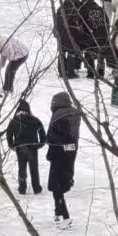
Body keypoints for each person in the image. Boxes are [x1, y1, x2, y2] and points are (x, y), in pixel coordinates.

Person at [45, 93, 82, 224]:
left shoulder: (58, 114)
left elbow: (50, 136)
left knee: (56, 186)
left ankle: (65, 216)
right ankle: (58, 212)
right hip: (71, 152)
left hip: (58, 153)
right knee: (62, 182)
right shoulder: (75, 114)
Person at [6, 101, 45, 195]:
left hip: (20, 148)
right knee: (34, 169)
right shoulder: (35, 120)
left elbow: (9, 134)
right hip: (32, 148)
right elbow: (42, 133)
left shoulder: (14, 121)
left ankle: (22, 188)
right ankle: (37, 188)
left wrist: (12, 145)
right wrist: (40, 144)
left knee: (22, 169)